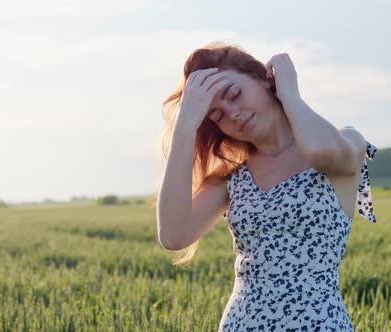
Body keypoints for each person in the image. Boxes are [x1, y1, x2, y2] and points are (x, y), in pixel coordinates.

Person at [155, 41, 378, 331]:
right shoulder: (232, 178)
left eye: (234, 94)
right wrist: (185, 126)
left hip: (320, 324)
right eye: (217, 115)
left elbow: (320, 152)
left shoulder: (345, 142)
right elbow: (173, 235)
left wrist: (289, 94)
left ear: (263, 79)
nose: (232, 113)